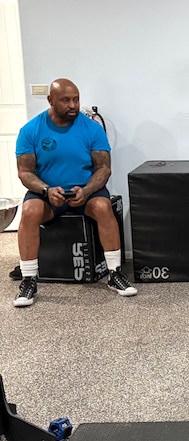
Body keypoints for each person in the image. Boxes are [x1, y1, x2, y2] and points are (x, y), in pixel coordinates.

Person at [12, 78, 136, 307]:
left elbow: (104, 168)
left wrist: (88, 189)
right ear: (50, 100)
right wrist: (46, 190)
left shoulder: (91, 129)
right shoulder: (31, 130)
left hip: (85, 192)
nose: (73, 105)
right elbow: (25, 173)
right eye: (66, 100)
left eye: (76, 100)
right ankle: (29, 280)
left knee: (103, 207)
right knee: (28, 211)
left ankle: (115, 273)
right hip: (48, 194)